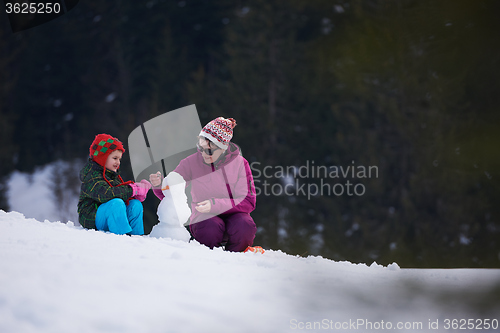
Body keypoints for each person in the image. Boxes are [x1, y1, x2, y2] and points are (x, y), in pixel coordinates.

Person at [149, 117, 261, 252]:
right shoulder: (190, 163)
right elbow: (174, 194)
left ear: (223, 147)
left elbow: (248, 201)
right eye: (200, 148)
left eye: (209, 150)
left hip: (235, 215)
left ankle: (237, 257)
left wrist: (214, 205)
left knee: (245, 226)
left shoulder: (240, 164)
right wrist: (160, 185)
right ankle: (209, 259)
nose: (203, 154)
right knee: (210, 227)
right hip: (204, 217)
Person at [78, 133, 151, 235]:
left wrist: (136, 194)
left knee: (135, 205)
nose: (118, 162)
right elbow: (106, 194)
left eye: (119, 159)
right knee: (116, 203)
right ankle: (122, 238)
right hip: (92, 217)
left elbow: (120, 194)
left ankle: (137, 239)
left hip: (110, 215)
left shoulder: (112, 176)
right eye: (115, 158)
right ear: (102, 158)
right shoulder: (92, 176)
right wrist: (131, 190)